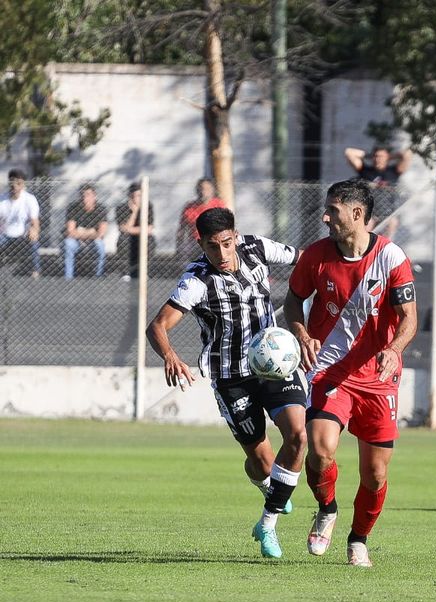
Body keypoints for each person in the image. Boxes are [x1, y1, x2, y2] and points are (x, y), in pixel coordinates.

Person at [145, 207, 307, 559]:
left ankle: (267, 524)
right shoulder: (197, 279)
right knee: (262, 461)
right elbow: (157, 326)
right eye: (211, 246)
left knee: (297, 435)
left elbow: (307, 261)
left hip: (277, 364)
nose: (221, 254)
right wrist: (171, 355)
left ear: (236, 236)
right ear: (200, 243)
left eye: (226, 243)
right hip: (231, 376)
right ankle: (269, 487)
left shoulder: (257, 249)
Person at [283, 178, 418, 568]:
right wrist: (302, 332)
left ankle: (358, 540)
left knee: (375, 474)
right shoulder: (317, 256)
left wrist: (394, 349)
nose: (325, 217)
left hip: (378, 378)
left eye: (333, 211)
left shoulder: (392, 258)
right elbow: (294, 299)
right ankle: (327, 508)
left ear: (357, 214)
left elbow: (409, 318)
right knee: (320, 449)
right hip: (328, 372)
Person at [344, 145, 412, 237]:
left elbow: (407, 154)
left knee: (388, 234)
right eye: (376, 156)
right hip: (370, 212)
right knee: (365, 236)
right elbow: (349, 152)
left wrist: (390, 156)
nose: (378, 159)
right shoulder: (365, 171)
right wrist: (369, 155)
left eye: (381, 157)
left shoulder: (394, 171)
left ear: (387, 157)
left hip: (388, 213)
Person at [0, 169, 42, 278]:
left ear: (23, 184)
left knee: (34, 239)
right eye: (12, 182)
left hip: (22, 235)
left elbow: (35, 222)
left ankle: (35, 271)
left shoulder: (29, 199)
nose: (15, 186)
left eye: (18, 183)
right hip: (4, 235)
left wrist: (34, 230)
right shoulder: (2, 200)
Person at [62, 183, 109, 279]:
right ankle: (68, 277)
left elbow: (102, 233)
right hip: (77, 242)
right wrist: (91, 232)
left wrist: (80, 232)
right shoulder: (73, 208)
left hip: (93, 242)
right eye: (82, 195)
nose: (85, 198)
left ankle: (98, 275)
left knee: (100, 246)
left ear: (94, 196)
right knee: (68, 243)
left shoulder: (101, 209)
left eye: (88, 195)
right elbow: (70, 232)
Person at [176, 178, 226, 258]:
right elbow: (182, 229)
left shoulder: (219, 205)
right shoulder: (189, 207)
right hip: (196, 243)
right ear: (197, 190)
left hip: (216, 241)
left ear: (213, 190)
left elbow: (226, 225)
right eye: (201, 189)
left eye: (207, 189)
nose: (203, 192)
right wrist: (180, 246)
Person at [116, 182, 156, 281]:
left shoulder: (148, 206)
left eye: (138, 196)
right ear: (129, 197)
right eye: (133, 196)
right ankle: (125, 273)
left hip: (142, 236)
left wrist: (130, 230)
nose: (136, 199)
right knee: (123, 239)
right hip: (128, 238)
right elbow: (123, 230)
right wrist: (134, 212)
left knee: (150, 240)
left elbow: (149, 229)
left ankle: (145, 273)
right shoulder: (122, 208)